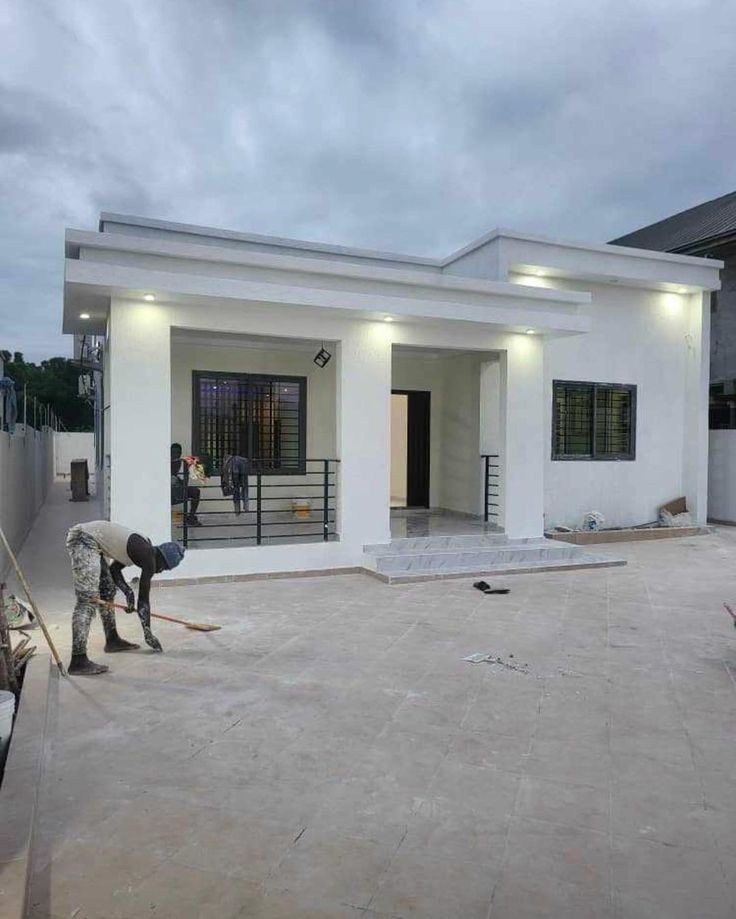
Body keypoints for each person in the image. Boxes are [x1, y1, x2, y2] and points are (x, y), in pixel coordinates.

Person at [65, 520, 185, 675]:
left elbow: (115, 569)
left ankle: (112, 640)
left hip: (93, 542)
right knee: (87, 600)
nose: (160, 571)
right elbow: (144, 601)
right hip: (83, 538)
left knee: (107, 590)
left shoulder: (144, 548)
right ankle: (78, 660)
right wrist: (148, 633)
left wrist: (127, 592)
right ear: (161, 559)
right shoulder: (147, 556)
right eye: (164, 568)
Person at [171, 443, 201, 526]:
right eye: (174, 452)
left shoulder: (183, 463)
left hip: (180, 489)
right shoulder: (165, 463)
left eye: (178, 452)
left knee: (195, 491)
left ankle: (191, 517)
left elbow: (185, 480)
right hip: (168, 492)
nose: (176, 454)